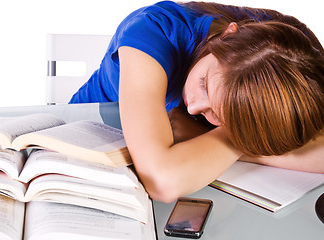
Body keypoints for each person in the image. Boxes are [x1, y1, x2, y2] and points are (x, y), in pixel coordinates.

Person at [70, 1, 324, 202]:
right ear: (227, 35)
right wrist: (257, 137)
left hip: (189, 179)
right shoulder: (154, 29)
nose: (193, 106)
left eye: (222, 116)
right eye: (203, 83)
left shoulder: (301, 71)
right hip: (83, 139)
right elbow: (163, 182)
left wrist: (241, 137)